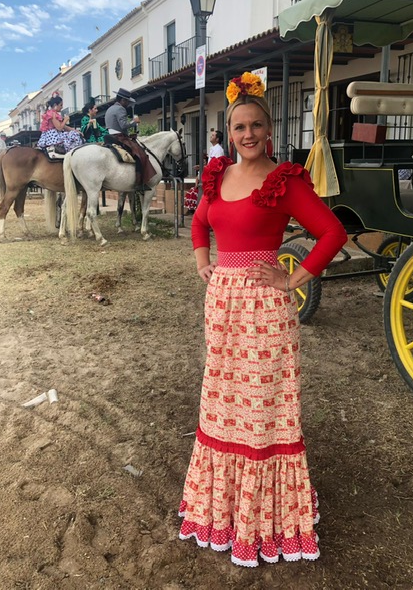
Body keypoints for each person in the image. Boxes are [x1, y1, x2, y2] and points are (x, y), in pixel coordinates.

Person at [178, 72, 348, 568]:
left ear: (269, 130)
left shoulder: (284, 182)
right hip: (222, 309)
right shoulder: (216, 177)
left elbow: (332, 233)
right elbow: (199, 222)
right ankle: (224, 509)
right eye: (239, 127)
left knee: (263, 410)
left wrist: (293, 279)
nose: (247, 134)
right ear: (228, 133)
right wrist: (202, 260)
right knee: (222, 402)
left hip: (266, 311)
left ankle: (265, 517)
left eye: (255, 125)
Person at [104, 87, 155, 193]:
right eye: (127, 101)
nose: (127, 104)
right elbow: (123, 125)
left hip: (110, 136)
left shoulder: (110, 108)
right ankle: (139, 183)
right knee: (140, 154)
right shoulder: (120, 109)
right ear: (122, 100)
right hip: (119, 137)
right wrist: (134, 121)